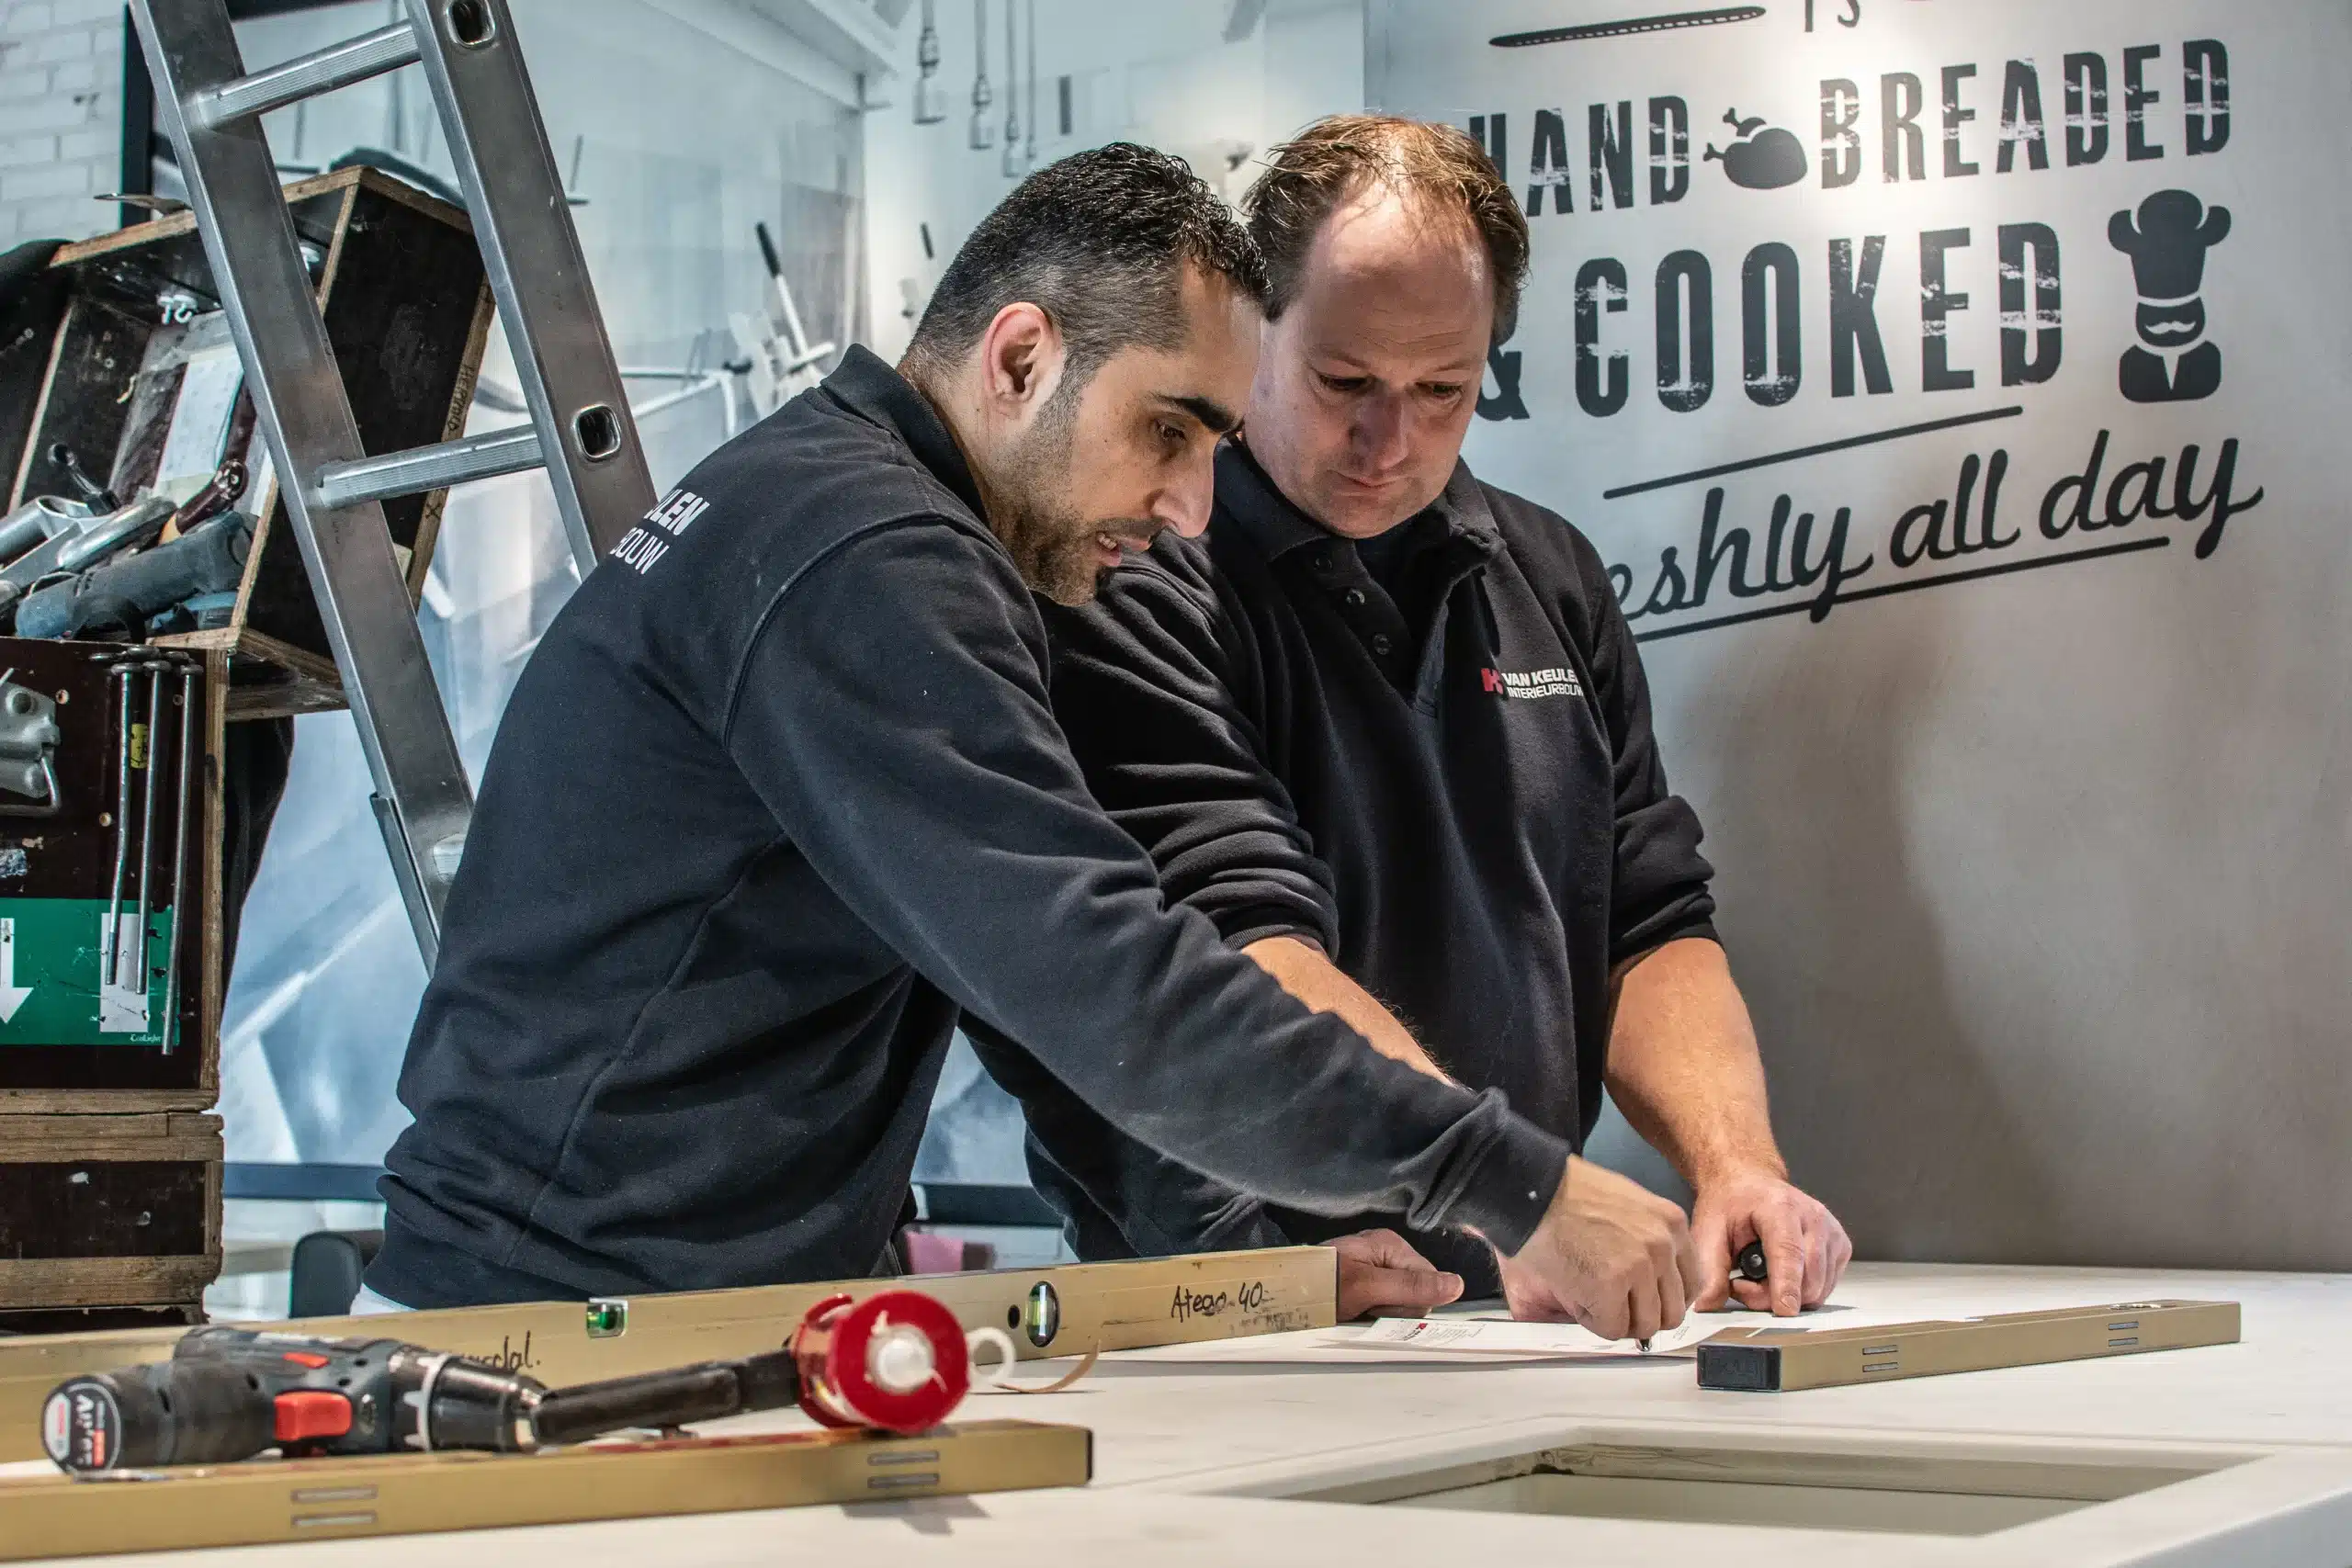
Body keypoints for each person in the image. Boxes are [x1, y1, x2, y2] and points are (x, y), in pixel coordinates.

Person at [361, 143, 1701, 1343]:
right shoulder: (871, 558)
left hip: (649, 1314)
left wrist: (1237, 1256)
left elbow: (1024, 992)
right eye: (1167, 430)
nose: (1189, 508)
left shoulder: (830, 505)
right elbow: (1108, 981)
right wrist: (1511, 1186)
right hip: (551, 1337)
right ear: (1019, 361)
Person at [969, 118, 1852, 1323]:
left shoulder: (1550, 575)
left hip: (1520, 1290)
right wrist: (1513, 1196)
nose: (1390, 443)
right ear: (1254, 333)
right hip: (1247, 1300)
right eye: (1346, 384)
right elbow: (1241, 949)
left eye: (1444, 391)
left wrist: (1735, 1162)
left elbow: (1648, 924)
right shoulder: (1129, 573)